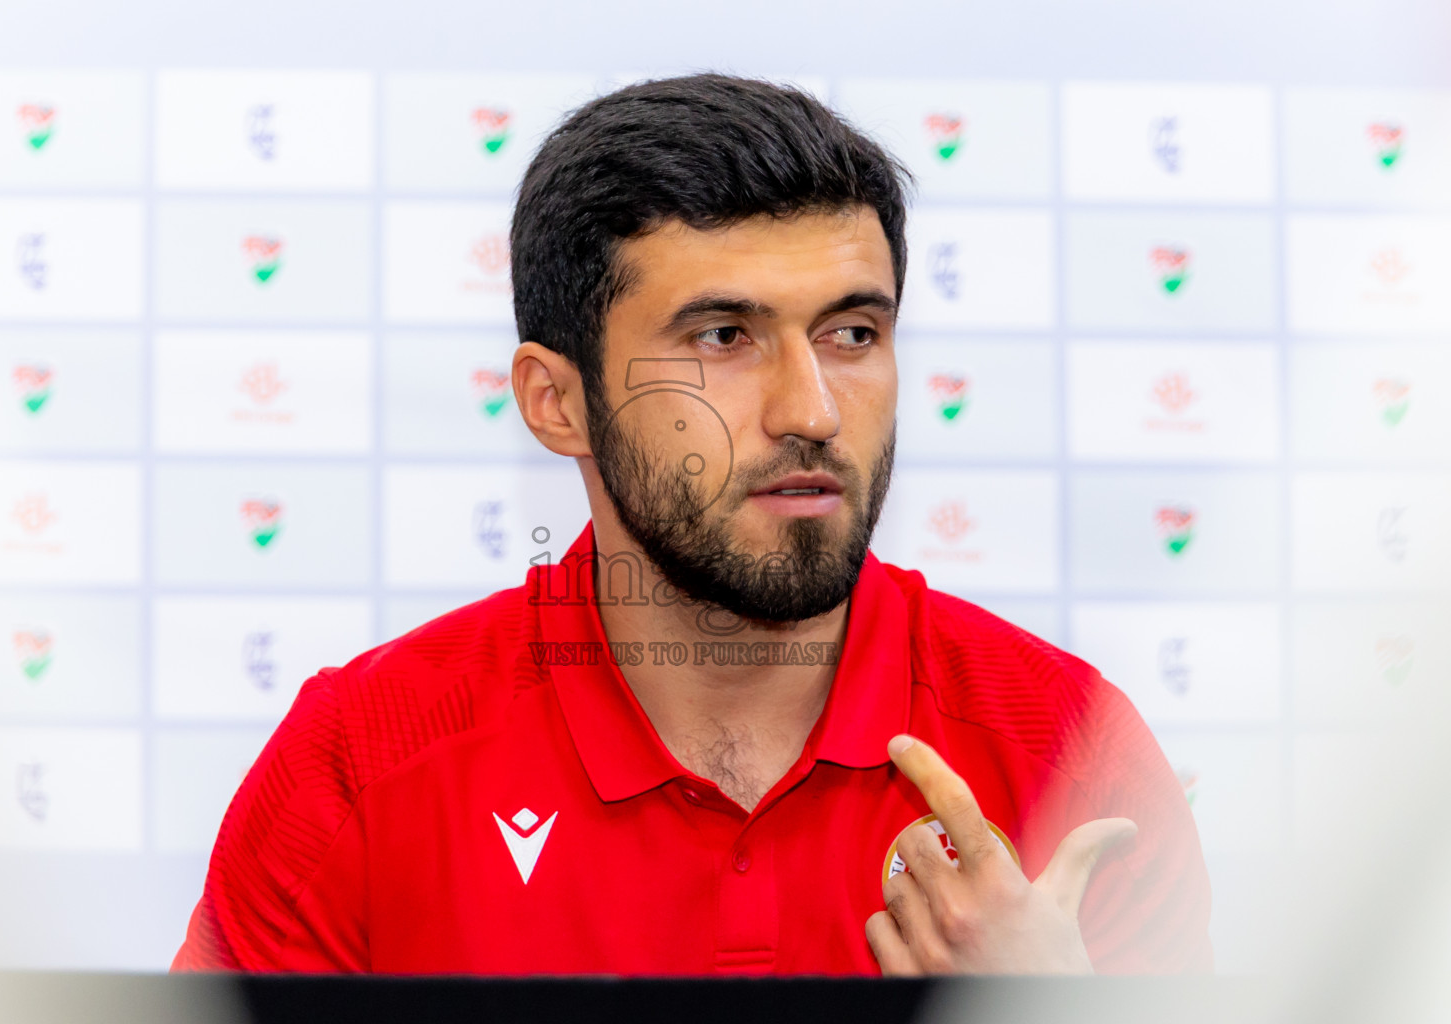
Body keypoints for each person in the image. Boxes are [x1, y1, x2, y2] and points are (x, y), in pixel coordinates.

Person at [172, 74, 1211, 975]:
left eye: (854, 332)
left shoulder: (1072, 754)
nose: (810, 410)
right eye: (724, 337)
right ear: (556, 401)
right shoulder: (359, 767)